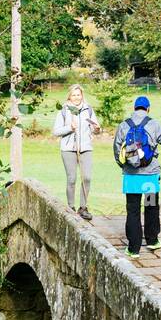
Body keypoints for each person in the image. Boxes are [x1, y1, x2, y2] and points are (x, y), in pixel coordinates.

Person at [112, 95, 161, 257]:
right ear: (148, 109)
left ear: (135, 108)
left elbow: (117, 150)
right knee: (151, 206)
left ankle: (133, 248)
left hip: (132, 178)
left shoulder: (124, 125)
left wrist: (124, 165)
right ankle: (152, 241)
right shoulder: (154, 124)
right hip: (149, 176)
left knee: (133, 210)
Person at [52, 83, 103, 220]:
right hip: (68, 149)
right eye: (74, 95)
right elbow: (56, 131)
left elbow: (95, 128)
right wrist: (69, 127)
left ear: (82, 95)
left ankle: (83, 208)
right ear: (69, 96)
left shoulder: (88, 109)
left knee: (86, 178)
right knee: (72, 179)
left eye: (78, 94)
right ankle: (70, 207)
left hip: (86, 148)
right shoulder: (64, 111)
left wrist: (97, 129)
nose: (76, 97)